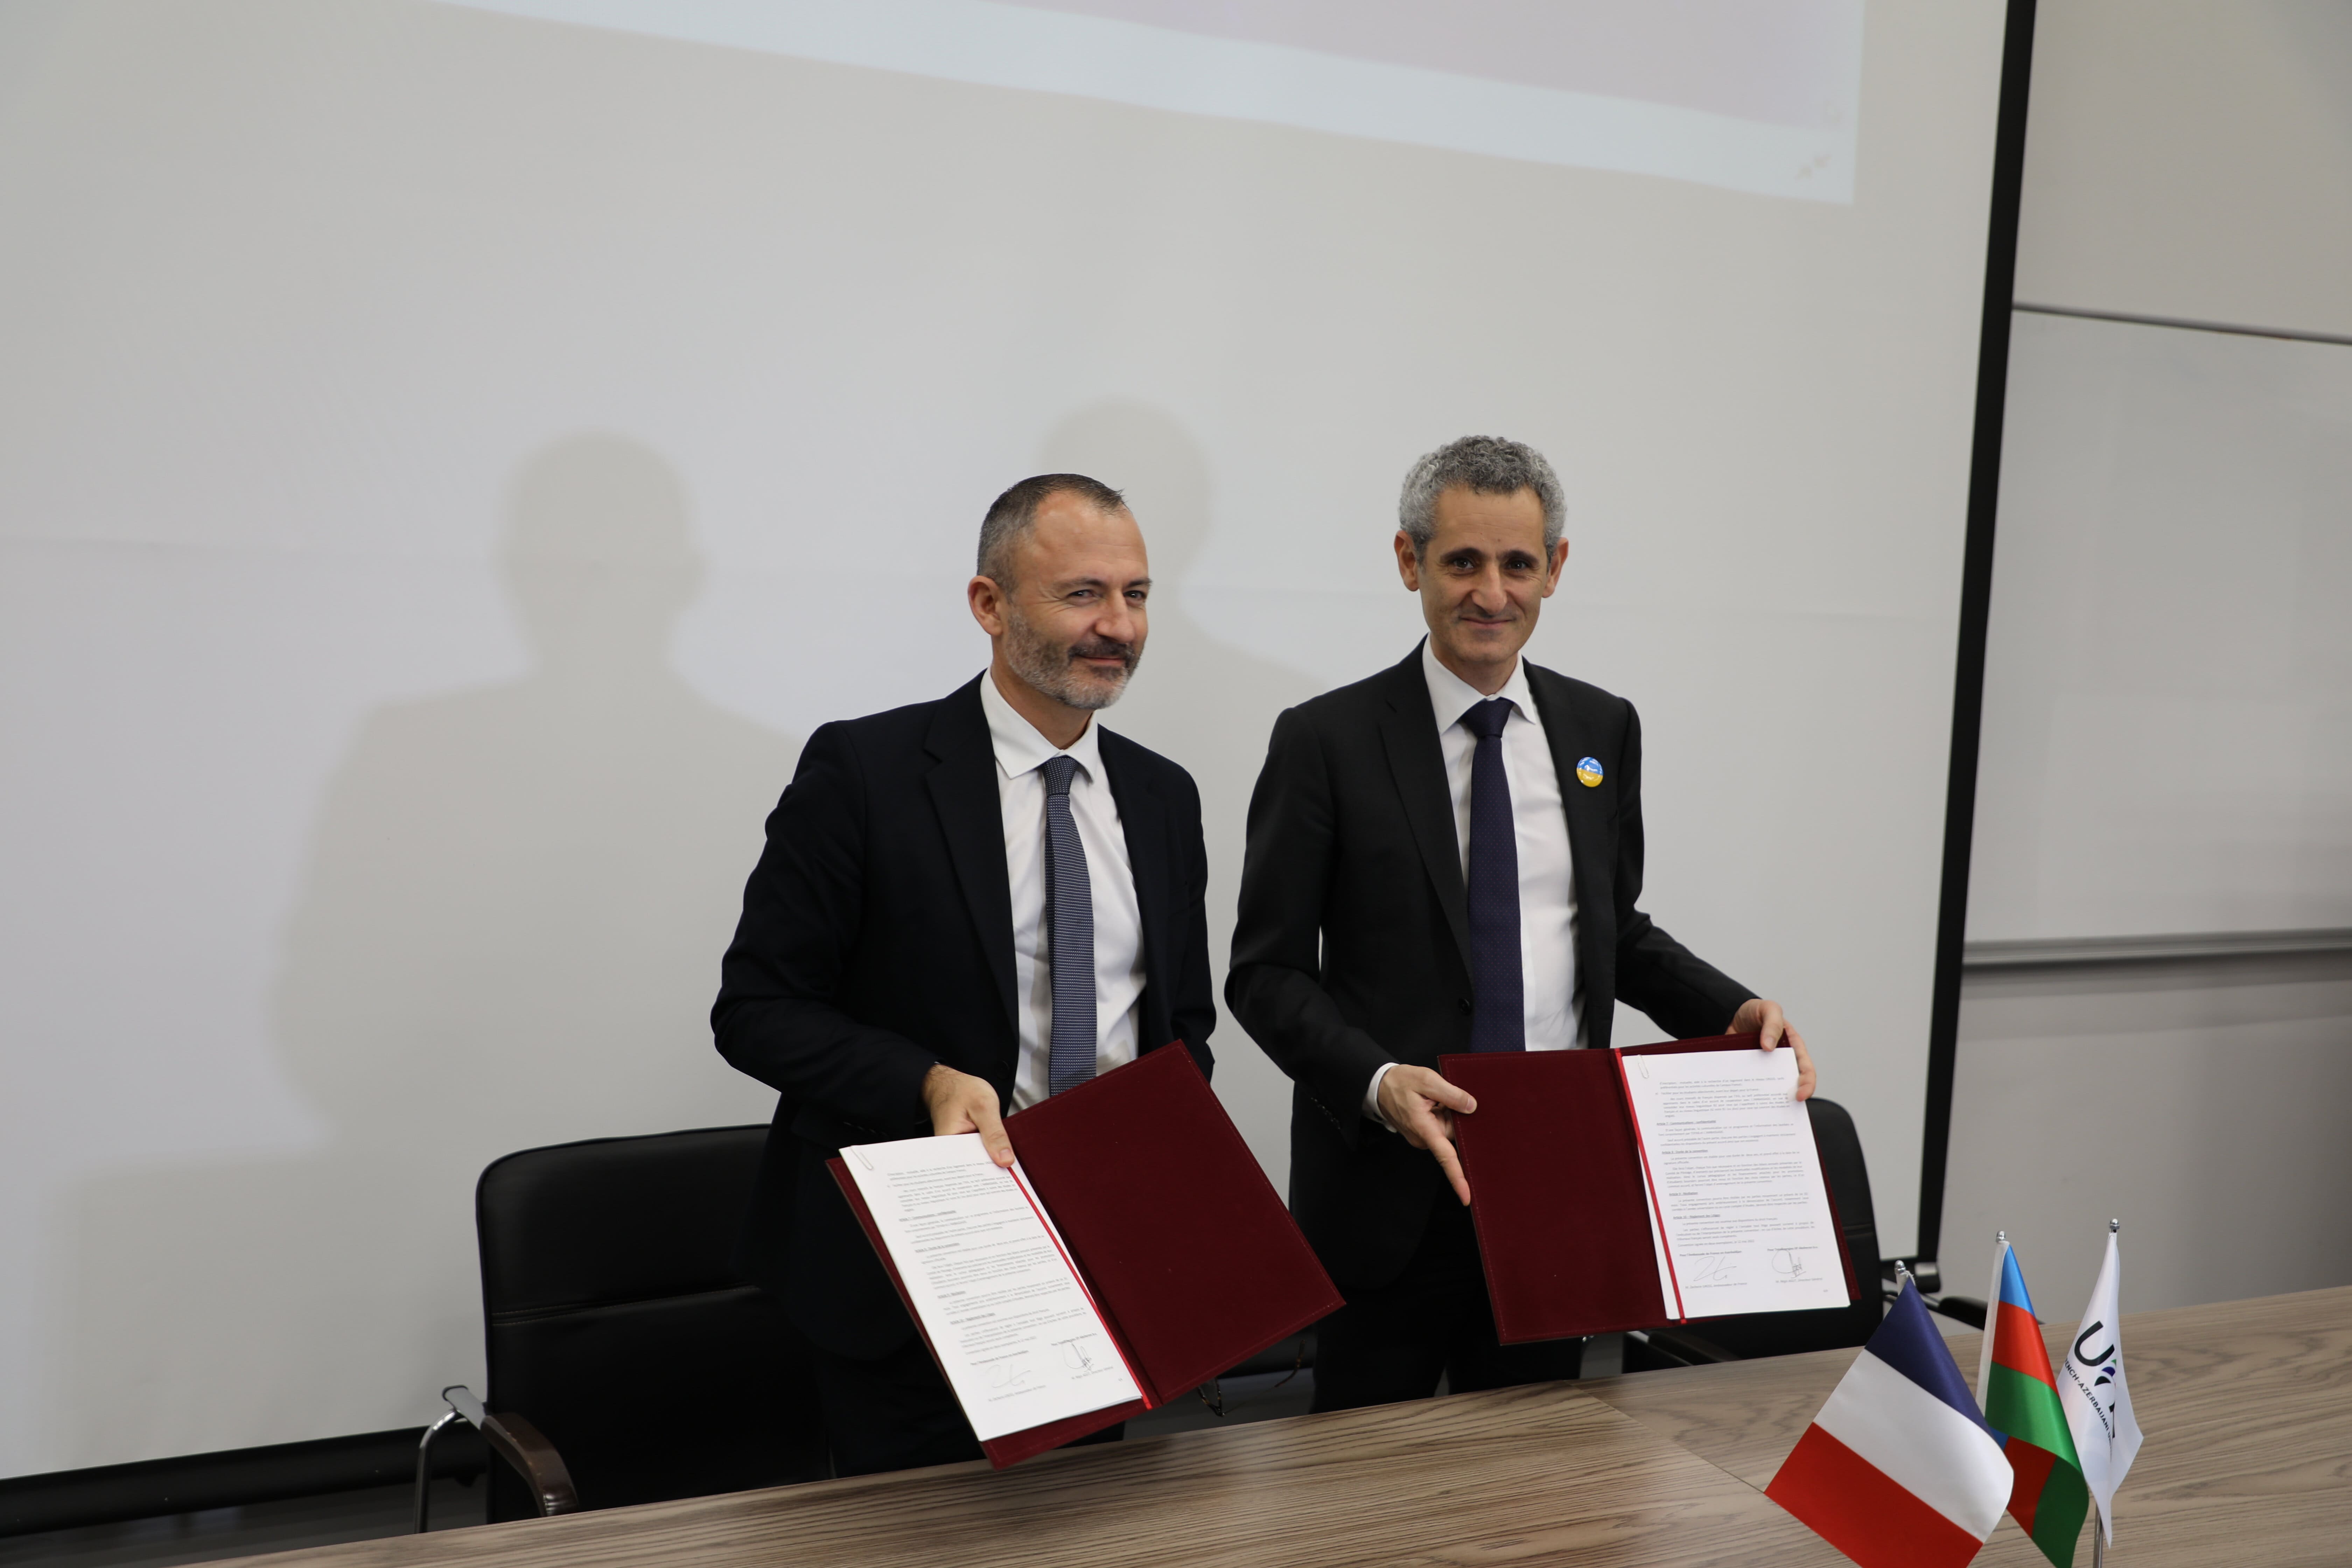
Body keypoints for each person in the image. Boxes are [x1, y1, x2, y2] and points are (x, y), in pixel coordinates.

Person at [1227, 435, 1815, 1412]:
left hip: (1554, 1189)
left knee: (1543, 1476)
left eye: (1517, 564)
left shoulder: (1601, 729)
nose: (1491, 593)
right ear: (1410, 561)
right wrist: (1375, 1082)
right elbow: (1266, 974)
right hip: (1388, 1196)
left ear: (1556, 567)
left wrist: (1730, 1010)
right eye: (1463, 561)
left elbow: (1611, 932)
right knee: (1368, 1487)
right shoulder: (1325, 740)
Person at [714, 474, 1214, 1475]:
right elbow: (758, 1010)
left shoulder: (1164, 796)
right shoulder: (865, 773)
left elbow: (1182, 1027)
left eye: (1136, 595)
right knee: (910, 1535)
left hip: (1094, 1263)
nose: (1118, 626)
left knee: (1087, 1530)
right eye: (1082, 595)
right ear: (990, 605)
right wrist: (927, 1081)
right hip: (909, 1276)